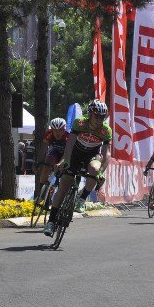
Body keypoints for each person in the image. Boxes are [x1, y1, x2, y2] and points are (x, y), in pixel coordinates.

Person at [43, 100, 112, 236]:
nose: (99, 119)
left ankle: (82, 199)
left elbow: (106, 153)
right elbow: (70, 144)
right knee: (63, 188)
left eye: (102, 117)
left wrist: (101, 172)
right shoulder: (80, 122)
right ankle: (51, 222)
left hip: (92, 155)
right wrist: (66, 161)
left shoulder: (105, 130)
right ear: (90, 114)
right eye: (97, 116)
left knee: (95, 169)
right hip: (75, 153)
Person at [36, 118, 68, 194]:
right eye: (55, 130)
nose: (57, 133)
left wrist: (60, 163)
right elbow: (43, 150)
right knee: (46, 164)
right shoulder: (48, 134)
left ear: (64, 130)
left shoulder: (68, 137)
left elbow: (67, 153)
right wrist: (38, 162)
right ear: (52, 130)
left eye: (60, 130)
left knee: (64, 173)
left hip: (66, 155)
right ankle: (41, 191)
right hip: (56, 152)